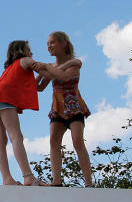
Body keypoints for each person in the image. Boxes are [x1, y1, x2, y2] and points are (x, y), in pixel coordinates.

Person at [0, 40, 48, 186]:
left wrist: (49, 74)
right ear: (21, 50)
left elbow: (37, 86)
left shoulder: (12, 67)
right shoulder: (25, 60)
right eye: (29, 49)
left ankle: (7, 179)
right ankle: (28, 177)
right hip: (4, 97)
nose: (32, 52)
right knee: (16, 136)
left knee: (0, 140)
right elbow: (45, 71)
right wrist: (57, 67)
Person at [36, 31, 93, 186]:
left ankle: (89, 183)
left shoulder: (74, 63)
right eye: (47, 44)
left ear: (64, 44)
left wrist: (46, 68)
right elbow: (38, 87)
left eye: (52, 42)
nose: (49, 46)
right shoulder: (52, 67)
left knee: (77, 141)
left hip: (73, 106)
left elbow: (65, 77)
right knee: (54, 141)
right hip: (58, 108)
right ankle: (56, 181)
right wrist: (40, 71)